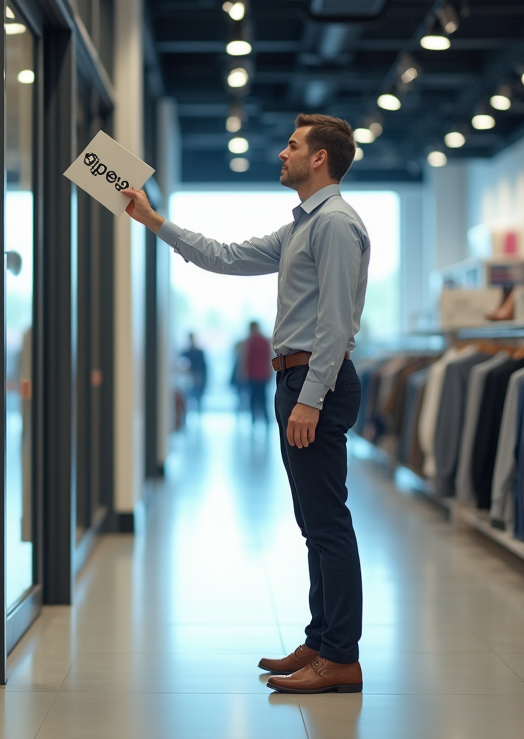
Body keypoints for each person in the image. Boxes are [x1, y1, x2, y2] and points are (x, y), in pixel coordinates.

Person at [124, 113, 370, 695]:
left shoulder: (334, 223)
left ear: (319, 159)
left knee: (329, 524)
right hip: (298, 381)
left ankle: (341, 657)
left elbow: (336, 324)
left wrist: (310, 399)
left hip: (316, 381)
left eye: (292, 146)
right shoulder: (301, 228)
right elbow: (226, 256)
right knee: (314, 523)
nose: (282, 154)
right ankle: (320, 640)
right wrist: (155, 221)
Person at [244, 321, 273, 424]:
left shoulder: (250, 341)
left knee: (253, 398)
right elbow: (269, 359)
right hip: (262, 375)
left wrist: (243, 372)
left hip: (253, 375)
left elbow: (246, 359)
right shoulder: (265, 341)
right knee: (263, 398)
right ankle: (266, 420)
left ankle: (254, 420)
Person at [181, 332, 208, 415]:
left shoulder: (199, 352)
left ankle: (199, 414)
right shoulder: (185, 352)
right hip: (188, 379)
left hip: (198, 378)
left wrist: (202, 378)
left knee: (198, 398)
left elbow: (204, 367)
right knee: (188, 398)